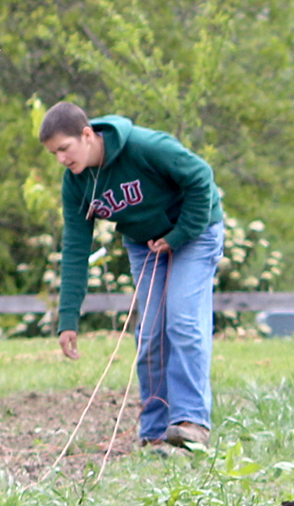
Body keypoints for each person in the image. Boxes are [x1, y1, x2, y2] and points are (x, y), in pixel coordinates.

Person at [40, 102, 225, 452]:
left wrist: (178, 235)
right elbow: (76, 249)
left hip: (195, 232)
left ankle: (191, 422)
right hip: (147, 244)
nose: (61, 160)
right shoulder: (76, 184)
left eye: (64, 149)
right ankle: (156, 432)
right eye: (54, 154)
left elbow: (202, 179)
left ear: (87, 134)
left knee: (183, 320)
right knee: (150, 333)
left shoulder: (146, 147)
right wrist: (68, 320)